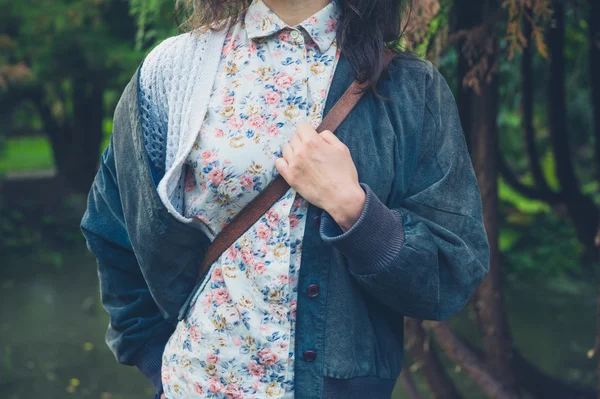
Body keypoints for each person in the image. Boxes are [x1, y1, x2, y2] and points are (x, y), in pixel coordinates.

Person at [80, 0, 491, 398]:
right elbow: (111, 226)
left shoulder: (411, 89)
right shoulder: (171, 72)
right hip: (196, 383)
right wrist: (155, 359)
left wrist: (354, 211)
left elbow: (450, 273)